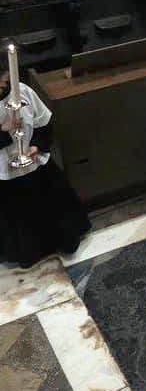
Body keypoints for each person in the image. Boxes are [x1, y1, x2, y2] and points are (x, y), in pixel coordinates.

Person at [0, 56, 91, 268]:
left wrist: (37, 146)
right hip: (5, 174)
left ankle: (63, 240)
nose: (3, 82)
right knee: (19, 216)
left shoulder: (22, 91)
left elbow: (44, 122)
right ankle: (30, 251)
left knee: (53, 204)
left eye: (4, 76)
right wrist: (4, 132)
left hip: (35, 164)